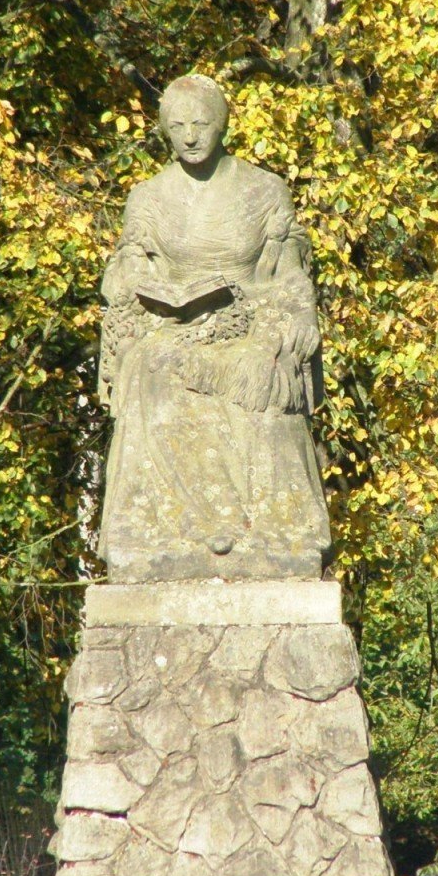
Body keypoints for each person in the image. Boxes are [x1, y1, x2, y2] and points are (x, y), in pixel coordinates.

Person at [97, 74, 332, 581]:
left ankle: (278, 531)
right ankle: (171, 531)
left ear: (220, 124)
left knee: (262, 368)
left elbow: (291, 270)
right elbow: (126, 267)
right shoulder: (148, 197)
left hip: (251, 321)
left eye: (200, 123)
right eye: (177, 125)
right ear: (164, 130)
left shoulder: (264, 190)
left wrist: (294, 315)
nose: (190, 136)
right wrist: (131, 283)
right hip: (172, 327)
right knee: (148, 367)